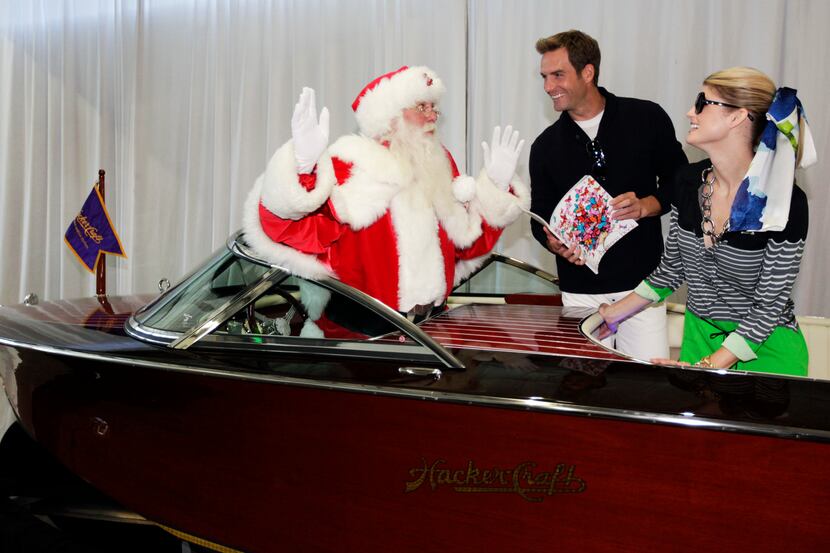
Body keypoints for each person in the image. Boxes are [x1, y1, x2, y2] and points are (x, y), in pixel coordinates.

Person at [243, 66, 529, 336]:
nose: (432, 117)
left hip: (430, 328)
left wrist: (496, 188)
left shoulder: (439, 165)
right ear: (390, 116)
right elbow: (289, 230)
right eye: (422, 107)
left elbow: (465, 244)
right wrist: (303, 168)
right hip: (364, 329)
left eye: (434, 108)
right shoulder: (349, 165)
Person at [598, 67, 816, 376]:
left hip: (766, 354)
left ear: (737, 117)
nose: (690, 112)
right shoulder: (687, 182)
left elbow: (770, 306)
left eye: (703, 102)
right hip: (701, 342)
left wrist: (708, 367)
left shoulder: (786, 203)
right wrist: (613, 314)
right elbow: (672, 269)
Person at [529, 30, 687, 360]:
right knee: (583, 393)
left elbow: (680, 181)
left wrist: (648, 205)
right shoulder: (544, 146)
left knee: (645, 387)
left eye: (558, 75)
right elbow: (539, 214)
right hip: (579, 291)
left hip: (643, 287)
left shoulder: (646, 118)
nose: (548, 87)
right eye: (544, 77)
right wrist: (553, 242)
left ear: (588, 72)